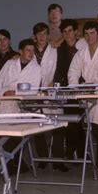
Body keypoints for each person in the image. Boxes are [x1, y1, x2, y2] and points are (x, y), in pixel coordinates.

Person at [67, 21, 98, 178]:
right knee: (92, 128)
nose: (89, 37)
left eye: (92, 33)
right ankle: (95, 158)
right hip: (87, 94)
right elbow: (73, 72)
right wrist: (76, 89)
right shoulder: (81, 53)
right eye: (86, 34)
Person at [0, 39, 42, 174]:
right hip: (1, 101)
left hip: (19, 105)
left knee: (12, 136)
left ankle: (9, 164)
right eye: (28, 50)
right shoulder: (10, 63)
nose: (31, 53)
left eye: (32, 50)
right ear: (20, 51)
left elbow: (34, 89)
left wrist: (15, 92)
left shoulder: (36, 68)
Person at [32, 22, 69, 172]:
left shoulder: (56, 50)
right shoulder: (29, 51)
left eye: (44, 33)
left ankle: (58, 160)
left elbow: (62, 69)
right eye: (39, 34)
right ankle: (42, 159)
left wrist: (56, 82)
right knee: (37, 127)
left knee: (58, 126)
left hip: (53, 92)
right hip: (34, 94)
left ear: (48, 35)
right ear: (35, 36)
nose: (42, 36)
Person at [52, 19, 86, 160]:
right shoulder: (59, 50)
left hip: (84, 89)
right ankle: (73, 150)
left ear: (76, 32)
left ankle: (82, 151)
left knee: (83, 121)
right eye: (64, 32)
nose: (67, 34)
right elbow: (58, 70)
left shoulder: (84, 46)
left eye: (70, 31)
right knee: (71, 121)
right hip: (66, 90)